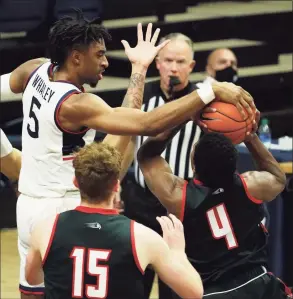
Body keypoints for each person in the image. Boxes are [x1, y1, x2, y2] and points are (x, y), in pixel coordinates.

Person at [0, 11, 254, 297]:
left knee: (31, 291)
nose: (105, 62)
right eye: (99, 55)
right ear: (76, 57)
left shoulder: (35, 69)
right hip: (64, 210)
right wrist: (210, 91)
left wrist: (139, 69)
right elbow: (146, 123)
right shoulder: (76, 104)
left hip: (28, 205)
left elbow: (127, 124)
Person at [137, 110, 292, 298]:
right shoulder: (250, 186)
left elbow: (147, 156)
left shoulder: (179, 197)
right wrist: (250, 137)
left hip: (212, 292)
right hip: (259, 285)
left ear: (193, 165)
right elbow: (278, 177)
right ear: (234, 164)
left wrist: (183, 116)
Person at [25, 142, 204, 299]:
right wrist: (178, 252)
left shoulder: (45, 229)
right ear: (116, 185)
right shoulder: (142, 237)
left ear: (76, 182)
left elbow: (33, 279)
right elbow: (194, 292)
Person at [120, 33, 199, 298]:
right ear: (157, 63)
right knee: (134, 282)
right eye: (168, 60)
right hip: (139, 203)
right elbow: (122, 136)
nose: (174, 67)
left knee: (175, 285)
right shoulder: (141, 95)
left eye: (180, 61)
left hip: (181, 206)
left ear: (191, 66)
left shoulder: (203, 101)